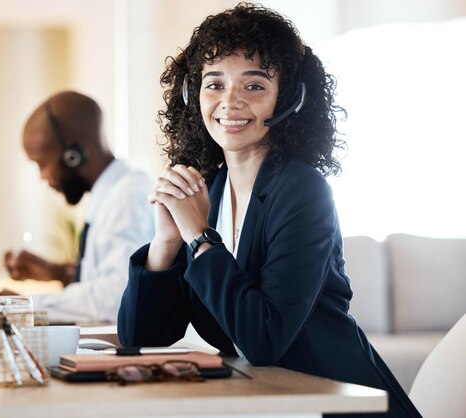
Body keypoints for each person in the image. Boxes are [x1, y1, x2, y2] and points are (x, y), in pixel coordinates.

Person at [117, 4, 421, 417]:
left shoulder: (302, 191)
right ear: (193, 95)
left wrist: (201, 237)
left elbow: (263, 339)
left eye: (254, 86)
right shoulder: (209, 189)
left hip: (334, 405)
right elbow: (141, 337)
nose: (230, 102)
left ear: (288, 98)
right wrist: (166, 243)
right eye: (214, 84)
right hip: (270, 403)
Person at [4, 91, 154, 323]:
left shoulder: (128, 198)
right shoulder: (108, 196)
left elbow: (116, 297)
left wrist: (24, 306)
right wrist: (56, 273)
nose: (42, 177)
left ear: (73, 154)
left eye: (42, 164)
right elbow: (109, 278)